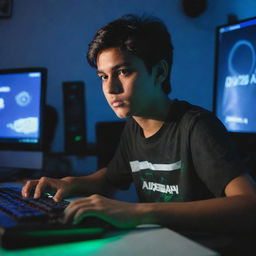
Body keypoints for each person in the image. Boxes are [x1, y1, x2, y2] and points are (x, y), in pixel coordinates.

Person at [22, 14, 256, 232]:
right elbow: (110, 180)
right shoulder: (135, 126)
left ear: (159, 73)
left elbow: (249, 205)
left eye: (123, 72)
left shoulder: (196, 127)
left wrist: (139, 212)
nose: (111, 89)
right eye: (103, 76)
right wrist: (71, 183)